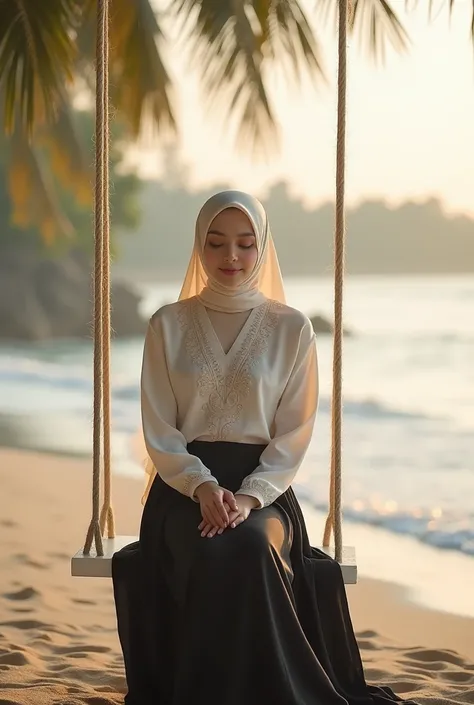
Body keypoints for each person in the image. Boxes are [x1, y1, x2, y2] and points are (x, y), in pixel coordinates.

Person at [112, 190, 415, 705]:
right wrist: (202, 486)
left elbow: (293, 435)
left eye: (245, 244)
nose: (231, 257)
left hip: (265, 491)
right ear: (199, 247)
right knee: (211, 549)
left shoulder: (292, 328)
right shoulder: (167, 324)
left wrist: (249, 498)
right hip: (183, 489)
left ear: (262, 248)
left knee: (251, 544)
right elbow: (159, 430)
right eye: (217, 243)